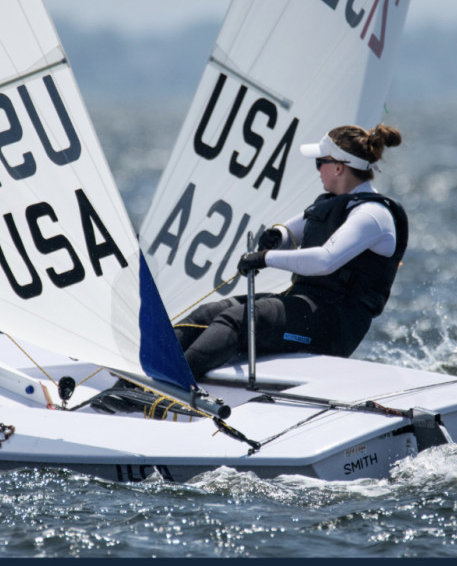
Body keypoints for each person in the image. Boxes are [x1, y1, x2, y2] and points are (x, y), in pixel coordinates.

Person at [174, 123, 408, 379]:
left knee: (240, 320)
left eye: (320, 162)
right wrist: (277, 236)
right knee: (210, 312)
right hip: (308, 306)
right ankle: (145, 373)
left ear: (338, 167)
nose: (317, 170)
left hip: (335, 325)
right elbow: (291, 229)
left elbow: (324, 260)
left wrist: (265, 258)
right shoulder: (331, 204)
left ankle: (175, 384)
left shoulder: (373, 215)